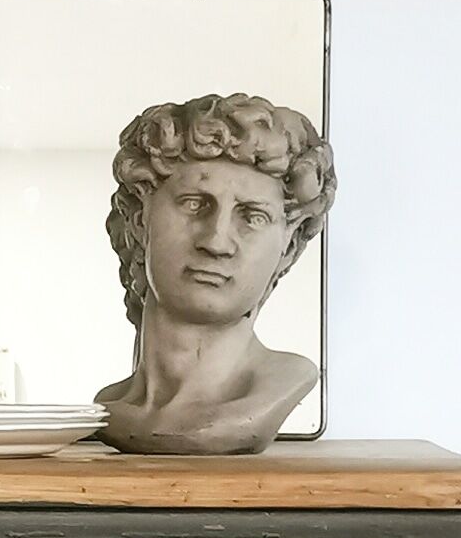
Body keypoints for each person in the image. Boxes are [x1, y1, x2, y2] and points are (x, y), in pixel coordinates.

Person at [95, 92, 335, 455]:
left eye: (252, 217)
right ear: (140, 221)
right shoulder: (108, 408)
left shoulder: (275, 389)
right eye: (194, 205)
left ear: (287, 246)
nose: (217, 242)